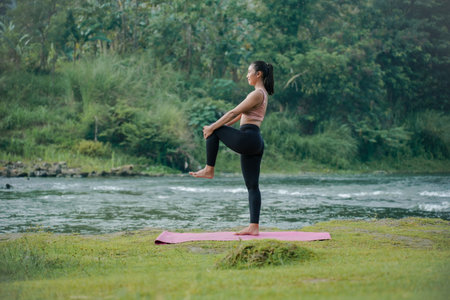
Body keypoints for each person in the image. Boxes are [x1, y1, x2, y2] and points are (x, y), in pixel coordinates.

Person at [189, 61, 274, 235]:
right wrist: (216, 127)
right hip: (255, 141)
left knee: (216, 130)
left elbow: (233, 113)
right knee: (252, 186)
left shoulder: (257, 93)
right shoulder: (262, 94)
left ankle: (209, 169)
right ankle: (254, 227)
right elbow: (237, 117)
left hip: (249, 138)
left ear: (258, 74)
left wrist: (212, 127)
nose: (246, 75)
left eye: (249, 72)